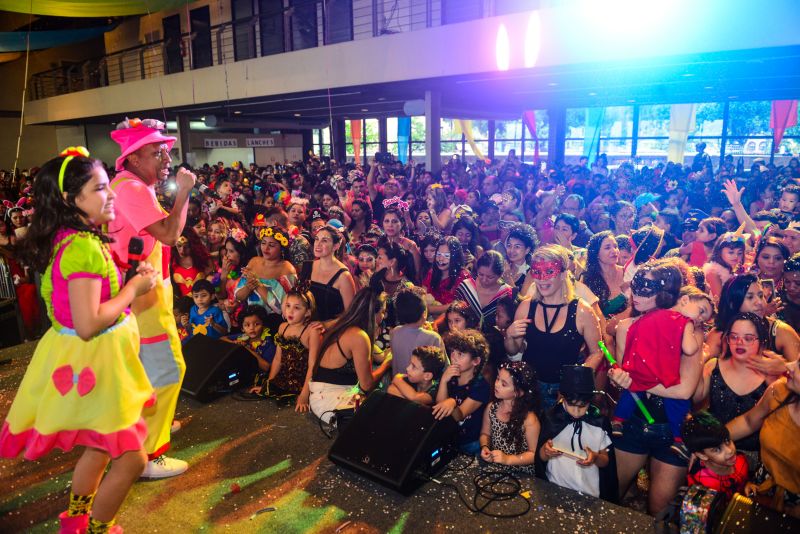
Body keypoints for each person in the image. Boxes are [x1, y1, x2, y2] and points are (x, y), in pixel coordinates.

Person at [0, 147, 157, 533]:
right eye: (101, 188)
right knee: (132, 459)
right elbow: (88, 323)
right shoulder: (82, 246)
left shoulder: (73, 237)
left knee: (101, 446)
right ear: (72, 199)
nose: (113, 195)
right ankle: (98, 529)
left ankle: (76, 519)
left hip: (91, 358)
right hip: (95, 359)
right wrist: (133, 288)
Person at [108, 117, 194, 478]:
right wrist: (185, 191)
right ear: (133, 158)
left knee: (144, 371)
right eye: (157, 153)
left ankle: (148, 426)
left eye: (166, 152)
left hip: (143, 294)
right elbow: (171, 234)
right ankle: (147, 456)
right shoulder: (131, 189)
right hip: (143, 298)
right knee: (169, 370)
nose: (166, 159)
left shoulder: (128, 186)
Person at [612, 281, 709, 459]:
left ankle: (618, 421)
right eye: (702, 311)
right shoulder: (684, 324)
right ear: (684, 300)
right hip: (660, 380)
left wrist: (634, 381)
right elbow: (688, 349)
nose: (702, 319)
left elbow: (684, 392)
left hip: (651, 374)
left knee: (637, 394)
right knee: (673, 405)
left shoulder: (652, 320)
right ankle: (678, 438)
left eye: (706, 318)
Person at [505, 244, 603, 409]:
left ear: (564, 274)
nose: (542, 279)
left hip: (563, 392)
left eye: (549, 272)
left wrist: (574, 381)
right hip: (529, 387)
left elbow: (597, 352)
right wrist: (510, 335)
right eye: (537, 272)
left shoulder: (582, 310)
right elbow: (513, 351)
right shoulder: (526, 307)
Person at [725, 360, 800, 518]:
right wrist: (709, 441)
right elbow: (748, 421)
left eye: (799, 364)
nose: (789, 365)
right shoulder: (779, 391)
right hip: (759, 491)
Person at [307, 288, 393, 422]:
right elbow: (367, 384)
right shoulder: (359, 336)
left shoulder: (345, 322)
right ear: (372, 313)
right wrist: (387, 363)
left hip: (322, 392)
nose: (384, 316)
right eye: (382, 312)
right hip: (330, 401)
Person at [537, 365, 616, 501]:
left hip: (589, 493)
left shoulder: (598, 423)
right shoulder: (551, 418)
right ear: (562, 398)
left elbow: (606, 461)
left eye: (582, 406)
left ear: (590, 401)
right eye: (572, 404)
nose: (576, 411)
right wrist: (546, 451)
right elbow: (540, 459)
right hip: (555, 488)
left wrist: (595, 458)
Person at [432, 329, 491, 455]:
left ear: (476, 361)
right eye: (453, 352)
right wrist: (443, 381)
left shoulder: (481, 386)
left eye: (460, 354)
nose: (453, 357)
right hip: (451, 438)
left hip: (470, 442)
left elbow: (459, 415)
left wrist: (452, 402)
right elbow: (440, 407)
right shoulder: (450, 376)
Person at [479, 361, 541, 475]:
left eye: (504, 384)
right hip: (497, 467)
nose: (496, 384)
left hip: (522, 473)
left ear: (518, 392)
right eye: (498, 379)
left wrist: (508, 459)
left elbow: (534, 454)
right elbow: (485, 434)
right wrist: (485, 447)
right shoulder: (491, 408)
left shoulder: (529, 419)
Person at [269, 287, 320, 410]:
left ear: (307, 312)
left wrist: (304, 395)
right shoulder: (282, 327)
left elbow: (313, 365)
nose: (290, 311)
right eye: (288, 306)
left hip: (303, 381)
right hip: (284, 378)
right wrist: (269, 384)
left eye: (296, 308)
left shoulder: (312, 331)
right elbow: (277, 359)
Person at [682, 411, 749, 502]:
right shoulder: (699, 482)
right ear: (702, 455)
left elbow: (743, 481)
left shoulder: (741, 460)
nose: (729, 451)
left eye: (727, 441)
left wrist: (748, 485)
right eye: (717, 450)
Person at [302, 225, 355, 323]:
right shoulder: (307, 266)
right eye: (317, 239)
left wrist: (326, 325)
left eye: (324, 241)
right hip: (305, 326)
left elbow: (351, 314)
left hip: (330, 330)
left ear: (336, 246)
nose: (318, 244)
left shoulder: (343, 276)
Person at [389, 288, 443, 376]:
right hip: (421, 386)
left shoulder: (394, 332)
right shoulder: (433, 337)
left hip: (397, 383)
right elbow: (443, 366)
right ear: (424, 313)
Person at [455, 250, 513, 329]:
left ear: (500, 275)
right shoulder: (466, 287)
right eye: (481, 274)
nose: (484, 280)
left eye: (490, 277)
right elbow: (454, 314)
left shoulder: (507, 293)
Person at [704, 233, 746, 301]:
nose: (736, 256)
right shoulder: (713, 271)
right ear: (719, 251)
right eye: (731, 252)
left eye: (739, 253)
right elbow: (720, 301)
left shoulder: (733, 269)